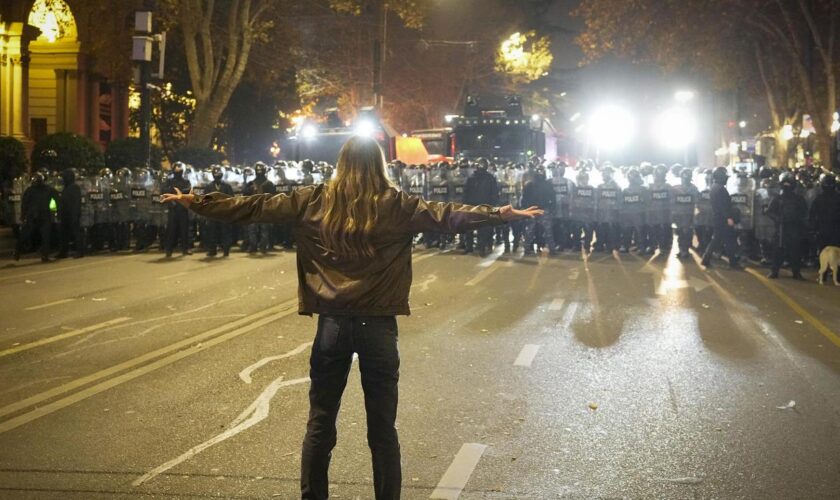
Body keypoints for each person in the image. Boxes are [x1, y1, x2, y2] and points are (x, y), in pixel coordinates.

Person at [161, 136, 541, 500]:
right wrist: (498, 214)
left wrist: (199, 202)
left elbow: (254, 206)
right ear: (378, 164)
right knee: (382, 430)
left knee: (320, 424)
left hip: (332, 325)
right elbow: (446, 216)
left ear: (341, 165)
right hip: (377, 326)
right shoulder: (396, 204)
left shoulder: (312, 200)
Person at [765, 172, 807, 279]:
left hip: (794, 229)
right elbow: (770, 211)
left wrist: (798, 220)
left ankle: (796, 272)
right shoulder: (777, 198)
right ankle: (774, 271)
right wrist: (778, 219)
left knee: (795, 251)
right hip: (781, 229)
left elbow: (804, 213)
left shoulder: (798, 199)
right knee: (777, 251)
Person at [701, 167, 741, 269]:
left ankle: (706, 259)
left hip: (717, 218)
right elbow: (723, 206)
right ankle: (733, 263)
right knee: (729, 240)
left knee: (717, 239)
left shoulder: (714, 187)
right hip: (722, 219)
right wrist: (729, 218)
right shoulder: (720, 189)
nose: (726, 179)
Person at [14, 172, 58, 262]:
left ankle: (43, 255)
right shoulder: (38, 190)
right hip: (36, 215)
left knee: (43, 236)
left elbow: (24, 204)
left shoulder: (40, 190)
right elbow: (25, 204)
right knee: (31, 234)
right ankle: (18, 251)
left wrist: (23, 215)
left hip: (40, 215)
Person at [463, 157, 500, 256]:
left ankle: (481, 248)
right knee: (470, 228)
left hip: (485, 206)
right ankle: (469, 247)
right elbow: (466, 192)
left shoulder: (490, 178)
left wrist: (493, 205)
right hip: (473, 205)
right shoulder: (471, 178)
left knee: (483, 229)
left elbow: (494, 193)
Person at [520, 165, 556, 256]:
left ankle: (527, 249)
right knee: (546, 231)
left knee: (531, 231)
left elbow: (524, 199)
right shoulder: (542, 184)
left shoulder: (530, 184)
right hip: (540, 210)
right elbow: (553, 198)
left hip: (539, 209)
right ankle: (551, 249)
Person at [243, 161, 277, 254]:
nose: (259, 171)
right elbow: (245, 194)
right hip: (255, 209)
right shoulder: (252, 183)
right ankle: (257, 247)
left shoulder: (268, 183)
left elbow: (273, 197)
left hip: (263, 209)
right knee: (255, 229)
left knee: (262, 229)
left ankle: (260, 247)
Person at [203, 165, 234, 257]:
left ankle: (226, 250)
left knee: (225, 232)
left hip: (224, 213)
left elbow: (232, 199)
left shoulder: (227, 186)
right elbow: (205, 201)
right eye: (215, 173)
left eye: (218, 173)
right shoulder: (209, 186)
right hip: (213, 214)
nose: (217, 175)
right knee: (212, 232)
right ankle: (212, 250)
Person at [163, 161, 192, 257]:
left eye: (180, 170)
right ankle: (169, 249)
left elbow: (187, 192)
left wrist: (178, 197)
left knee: (184, 230)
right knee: (171, 230)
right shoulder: (169, 181)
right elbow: (165, 192)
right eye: (176, 169)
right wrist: (173, 200)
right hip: (173, 208)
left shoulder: (186, 182)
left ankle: (185, 248)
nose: (178, 171)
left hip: (183, 208)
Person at [57, 168, 83, 258]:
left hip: (72, 214)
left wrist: (75, 215)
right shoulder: (66, 188)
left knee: (76, 233)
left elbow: (76, 202)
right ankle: (63, 252)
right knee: (63, 234)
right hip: (65, 214)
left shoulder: (74, 187)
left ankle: (79, 251)